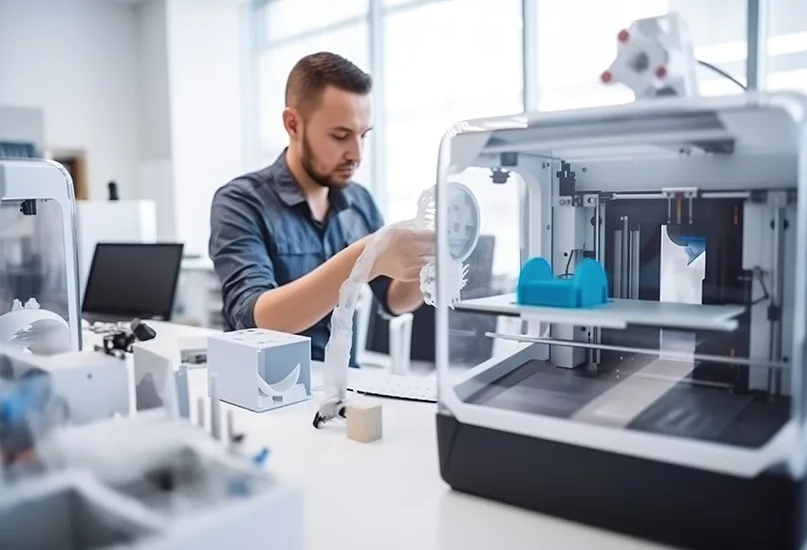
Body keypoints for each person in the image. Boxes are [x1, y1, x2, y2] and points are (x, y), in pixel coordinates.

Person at [208, 51, 432, 367]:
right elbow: (256, 320)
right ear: (293, 124)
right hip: (265, 391)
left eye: (363, 135)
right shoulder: (240, 202)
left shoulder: (360, 202)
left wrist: (428, 264)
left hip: (343, 387)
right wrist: (367, 255)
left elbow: (395, 301)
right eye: (340, 136)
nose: (356, 154)